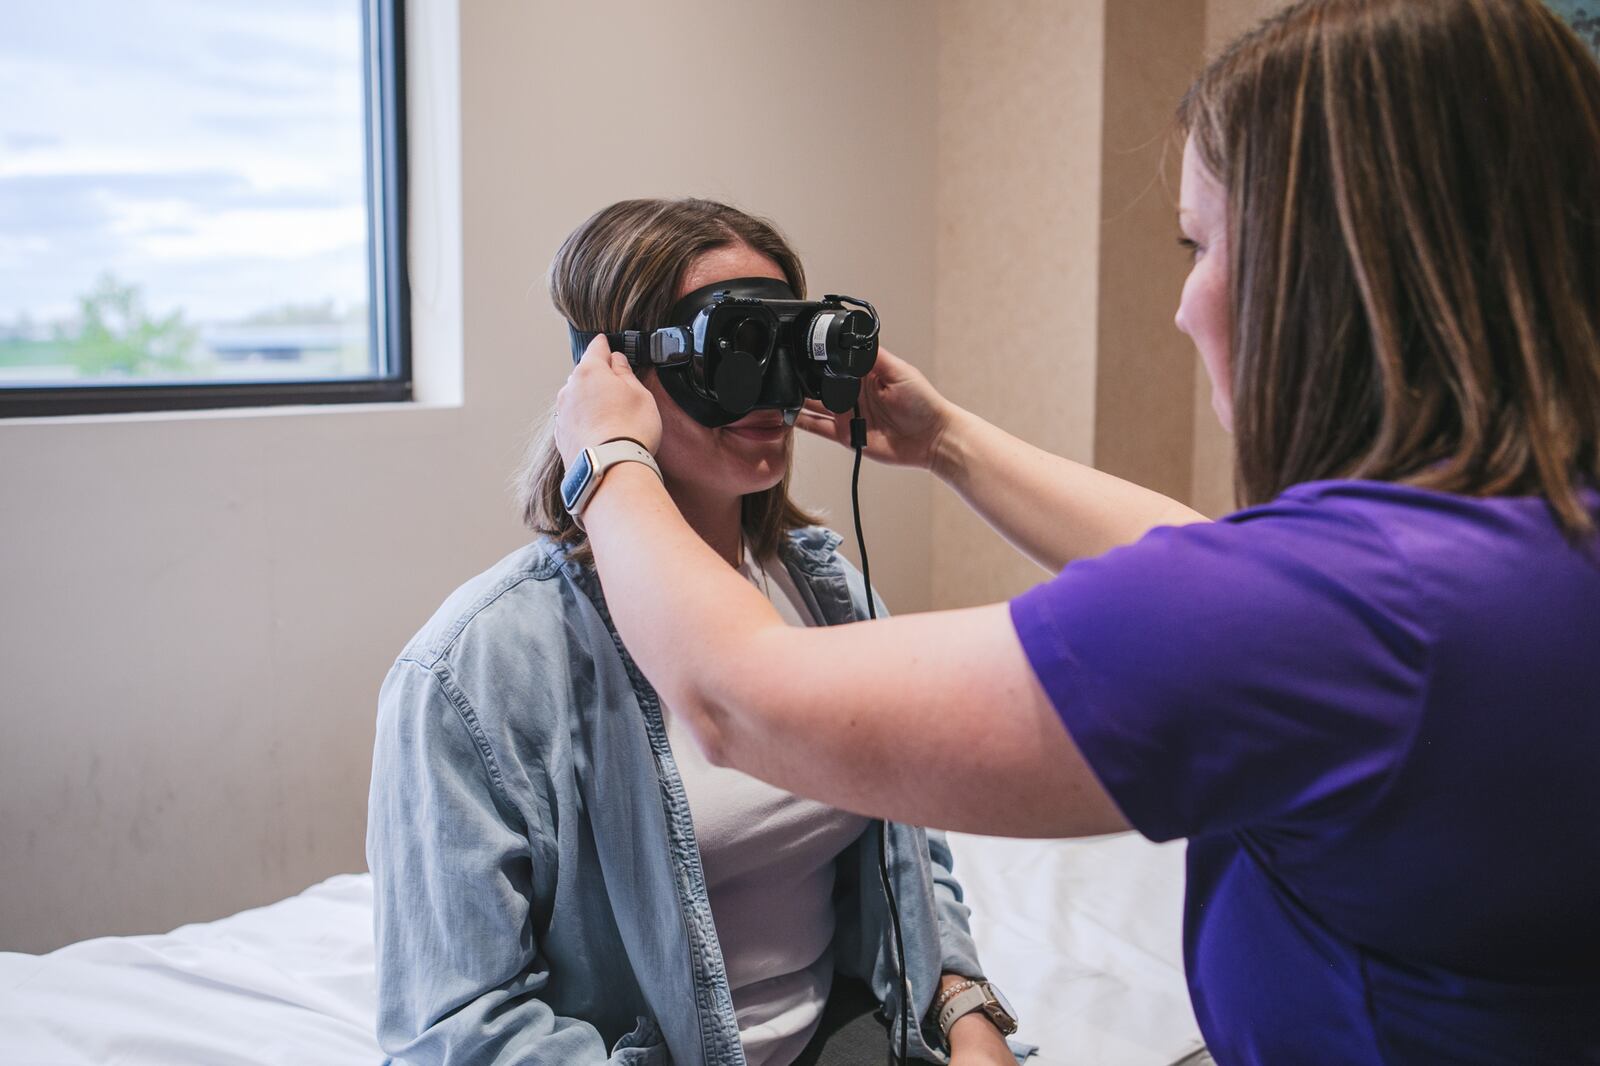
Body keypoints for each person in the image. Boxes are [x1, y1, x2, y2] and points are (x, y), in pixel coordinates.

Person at [549, 1, 1600, 1063]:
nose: (1185, 307)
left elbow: (738, 698)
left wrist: (602, 457)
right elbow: (1225, 573)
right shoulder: (1517, 542)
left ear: (1332, 268)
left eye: (1200, 246)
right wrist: (948, 441)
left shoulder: (1349, 615)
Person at [367, 198, 1025, 1066]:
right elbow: (455, 1029)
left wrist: (966, 1017)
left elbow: (908, 862)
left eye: (787, 346)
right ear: (614, 380)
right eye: (736, 348)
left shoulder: (824, 592)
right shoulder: (472, 673)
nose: (772, 392)